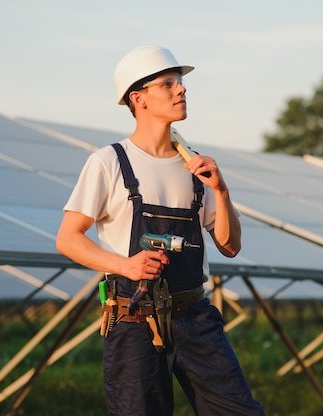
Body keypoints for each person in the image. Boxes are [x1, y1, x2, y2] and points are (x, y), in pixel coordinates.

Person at [56, 45, 264, 416]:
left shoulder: (196, 165)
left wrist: (221, 189)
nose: (181, 90)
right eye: (168, 84)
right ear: (139, 99)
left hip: (196, 317)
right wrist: (126, 266)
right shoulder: (109, 163)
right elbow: (68, 239)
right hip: (134, 320)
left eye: (180, 83)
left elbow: (230, 246)